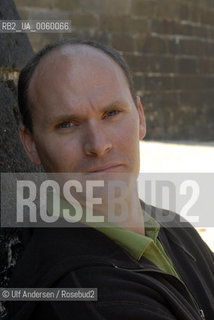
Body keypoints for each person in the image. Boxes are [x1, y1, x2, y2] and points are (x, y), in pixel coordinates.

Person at [6, 39, 213, 320]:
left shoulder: (172, 227)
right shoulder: (88, 300)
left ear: (140, 117)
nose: (98, 144)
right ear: (30, 144)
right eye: (66, 124)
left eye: (111, 113)